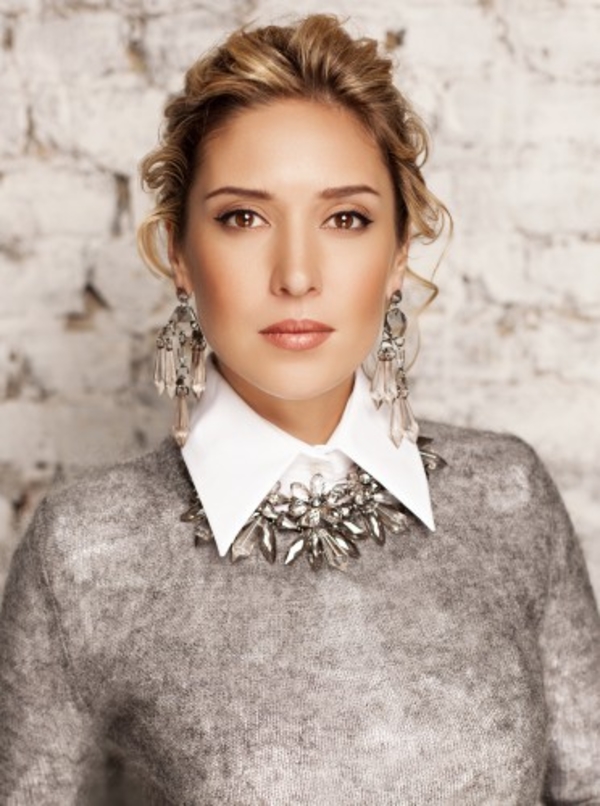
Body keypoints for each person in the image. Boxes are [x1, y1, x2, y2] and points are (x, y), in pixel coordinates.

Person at [1, 14, 599, 805]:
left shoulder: (507, 494)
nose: (295, 274)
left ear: (398, 252)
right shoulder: (88, 548)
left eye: (345, 218)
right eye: (243, 217)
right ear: (180, 253)